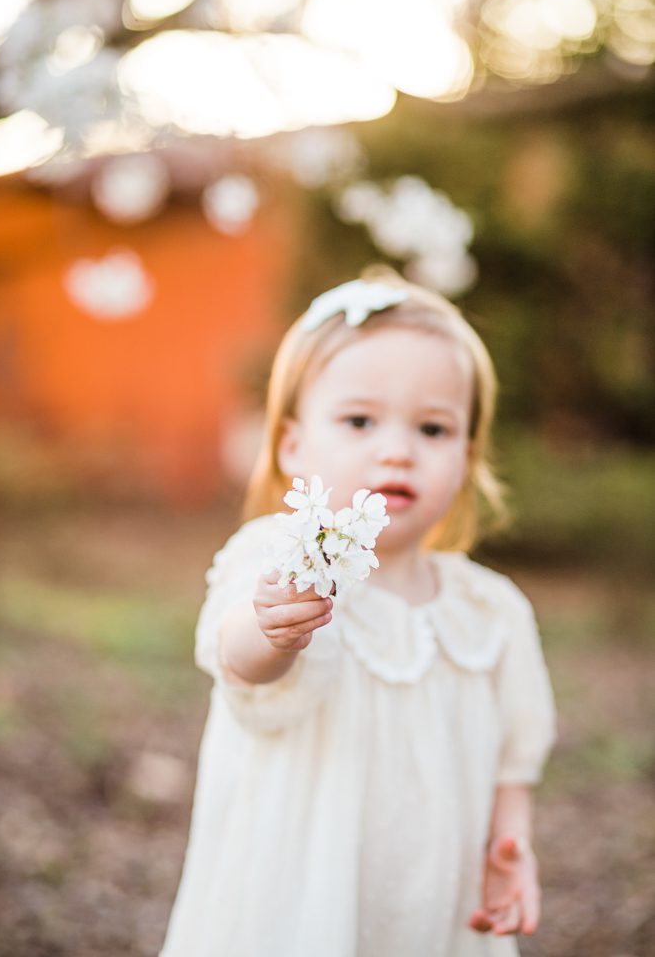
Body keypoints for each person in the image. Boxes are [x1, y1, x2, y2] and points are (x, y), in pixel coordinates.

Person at [160, 274, 557, 957]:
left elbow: (512, 758)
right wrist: (272, 628)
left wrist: (509, 842)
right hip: (297, 890)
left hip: (432, 901)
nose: (397, 449)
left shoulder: (490, 611)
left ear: (465, 456)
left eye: (432, 428)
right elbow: (242, 665)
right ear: (292, 446)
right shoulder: (277, 560)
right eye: (359, 421)